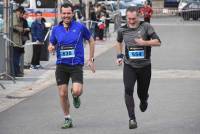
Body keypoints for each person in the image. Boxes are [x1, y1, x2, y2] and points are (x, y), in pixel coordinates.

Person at [48, 3, 95, 129]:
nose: (66, 15)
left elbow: (91, 40)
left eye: (68, 13)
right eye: (64, 13)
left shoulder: (80, 27)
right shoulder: (56, 29)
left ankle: (75, 95)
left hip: (76, 65)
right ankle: (67, 118)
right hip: (61, 65)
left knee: (77, 90)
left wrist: (91, 59)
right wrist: (51, 48)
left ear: (72, 14)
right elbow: (51, 44)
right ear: (61, 14)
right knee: (62, 94)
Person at [115, 6, 161, 129]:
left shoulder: (146, 27)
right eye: (129, 19)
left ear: (138, 16)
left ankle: (144, 99)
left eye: (134, 19)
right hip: (129, 66)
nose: (131, 21)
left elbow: (158, 42)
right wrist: (119, 55)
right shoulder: (122, 29)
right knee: (128, 90)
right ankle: (132, 118)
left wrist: (144, 43)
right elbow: (119, 41)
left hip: (145, 66)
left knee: (142, 92)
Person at [12, 6, 24, 77]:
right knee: (15, 57)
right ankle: (16, 72)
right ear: (19, 12)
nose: (22, 15)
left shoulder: (18, 17)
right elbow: (14, 26)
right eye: (22, 14)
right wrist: (22, 29)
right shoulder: (14, 17)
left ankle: (17, 71)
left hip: (17, 41)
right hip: (14, 41)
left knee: (17, 57)